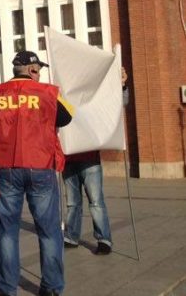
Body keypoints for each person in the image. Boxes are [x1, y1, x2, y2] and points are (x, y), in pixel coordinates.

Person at [0, 50, 73, 296]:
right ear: (31, 69)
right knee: (49, 230)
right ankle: (51, 287)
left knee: (7, 230)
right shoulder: (48, 93)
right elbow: (67, 116)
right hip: (41, 166)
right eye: (38, 69)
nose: (40, 73)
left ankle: (7, 287)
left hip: (6, 169)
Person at [62, 67, 127, 255]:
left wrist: (122, 86)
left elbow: (117, 105)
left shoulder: (92, 99)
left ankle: (104, 239)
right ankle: (71, 236)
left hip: (89, 159)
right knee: (73, 202)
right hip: (68, 158)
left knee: (96, 201)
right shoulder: (63, 95)